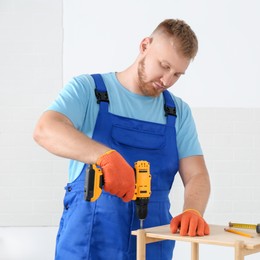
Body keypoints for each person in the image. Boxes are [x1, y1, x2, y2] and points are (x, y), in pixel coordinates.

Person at [33, 19, 210, 260]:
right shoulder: (88, 90)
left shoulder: (177, 111)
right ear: (145, 45)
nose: (167, 80)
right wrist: (105, 156)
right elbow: (46, 129)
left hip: (151, 244)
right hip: (88, 243)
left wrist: (193, 210)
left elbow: (197, 175)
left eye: (177, 74)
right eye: (164, 66)